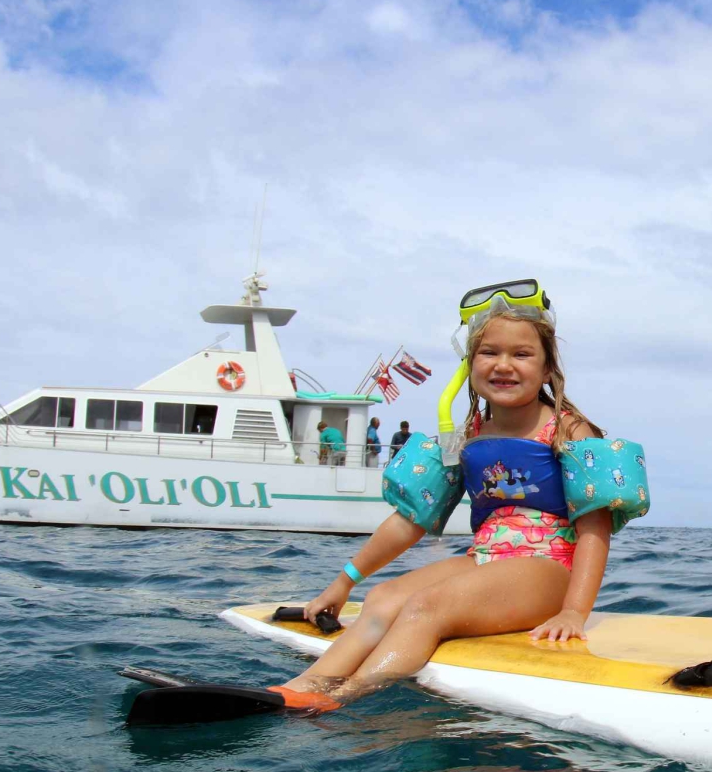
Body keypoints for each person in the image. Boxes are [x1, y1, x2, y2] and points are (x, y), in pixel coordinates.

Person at [271, 280, 650, 712]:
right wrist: (342, 584)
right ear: (469, 365)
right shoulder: (468, 437)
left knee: (426, 607)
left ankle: (342, 698)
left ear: (548, 370)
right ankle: (301, 686)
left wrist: (574, 612)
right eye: (489, 353)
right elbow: (409, 520)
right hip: (484, 559)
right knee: (381, 600)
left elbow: (595, 529)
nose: (503, 365)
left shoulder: (567, 431)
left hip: (548, 569)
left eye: (521, 354)